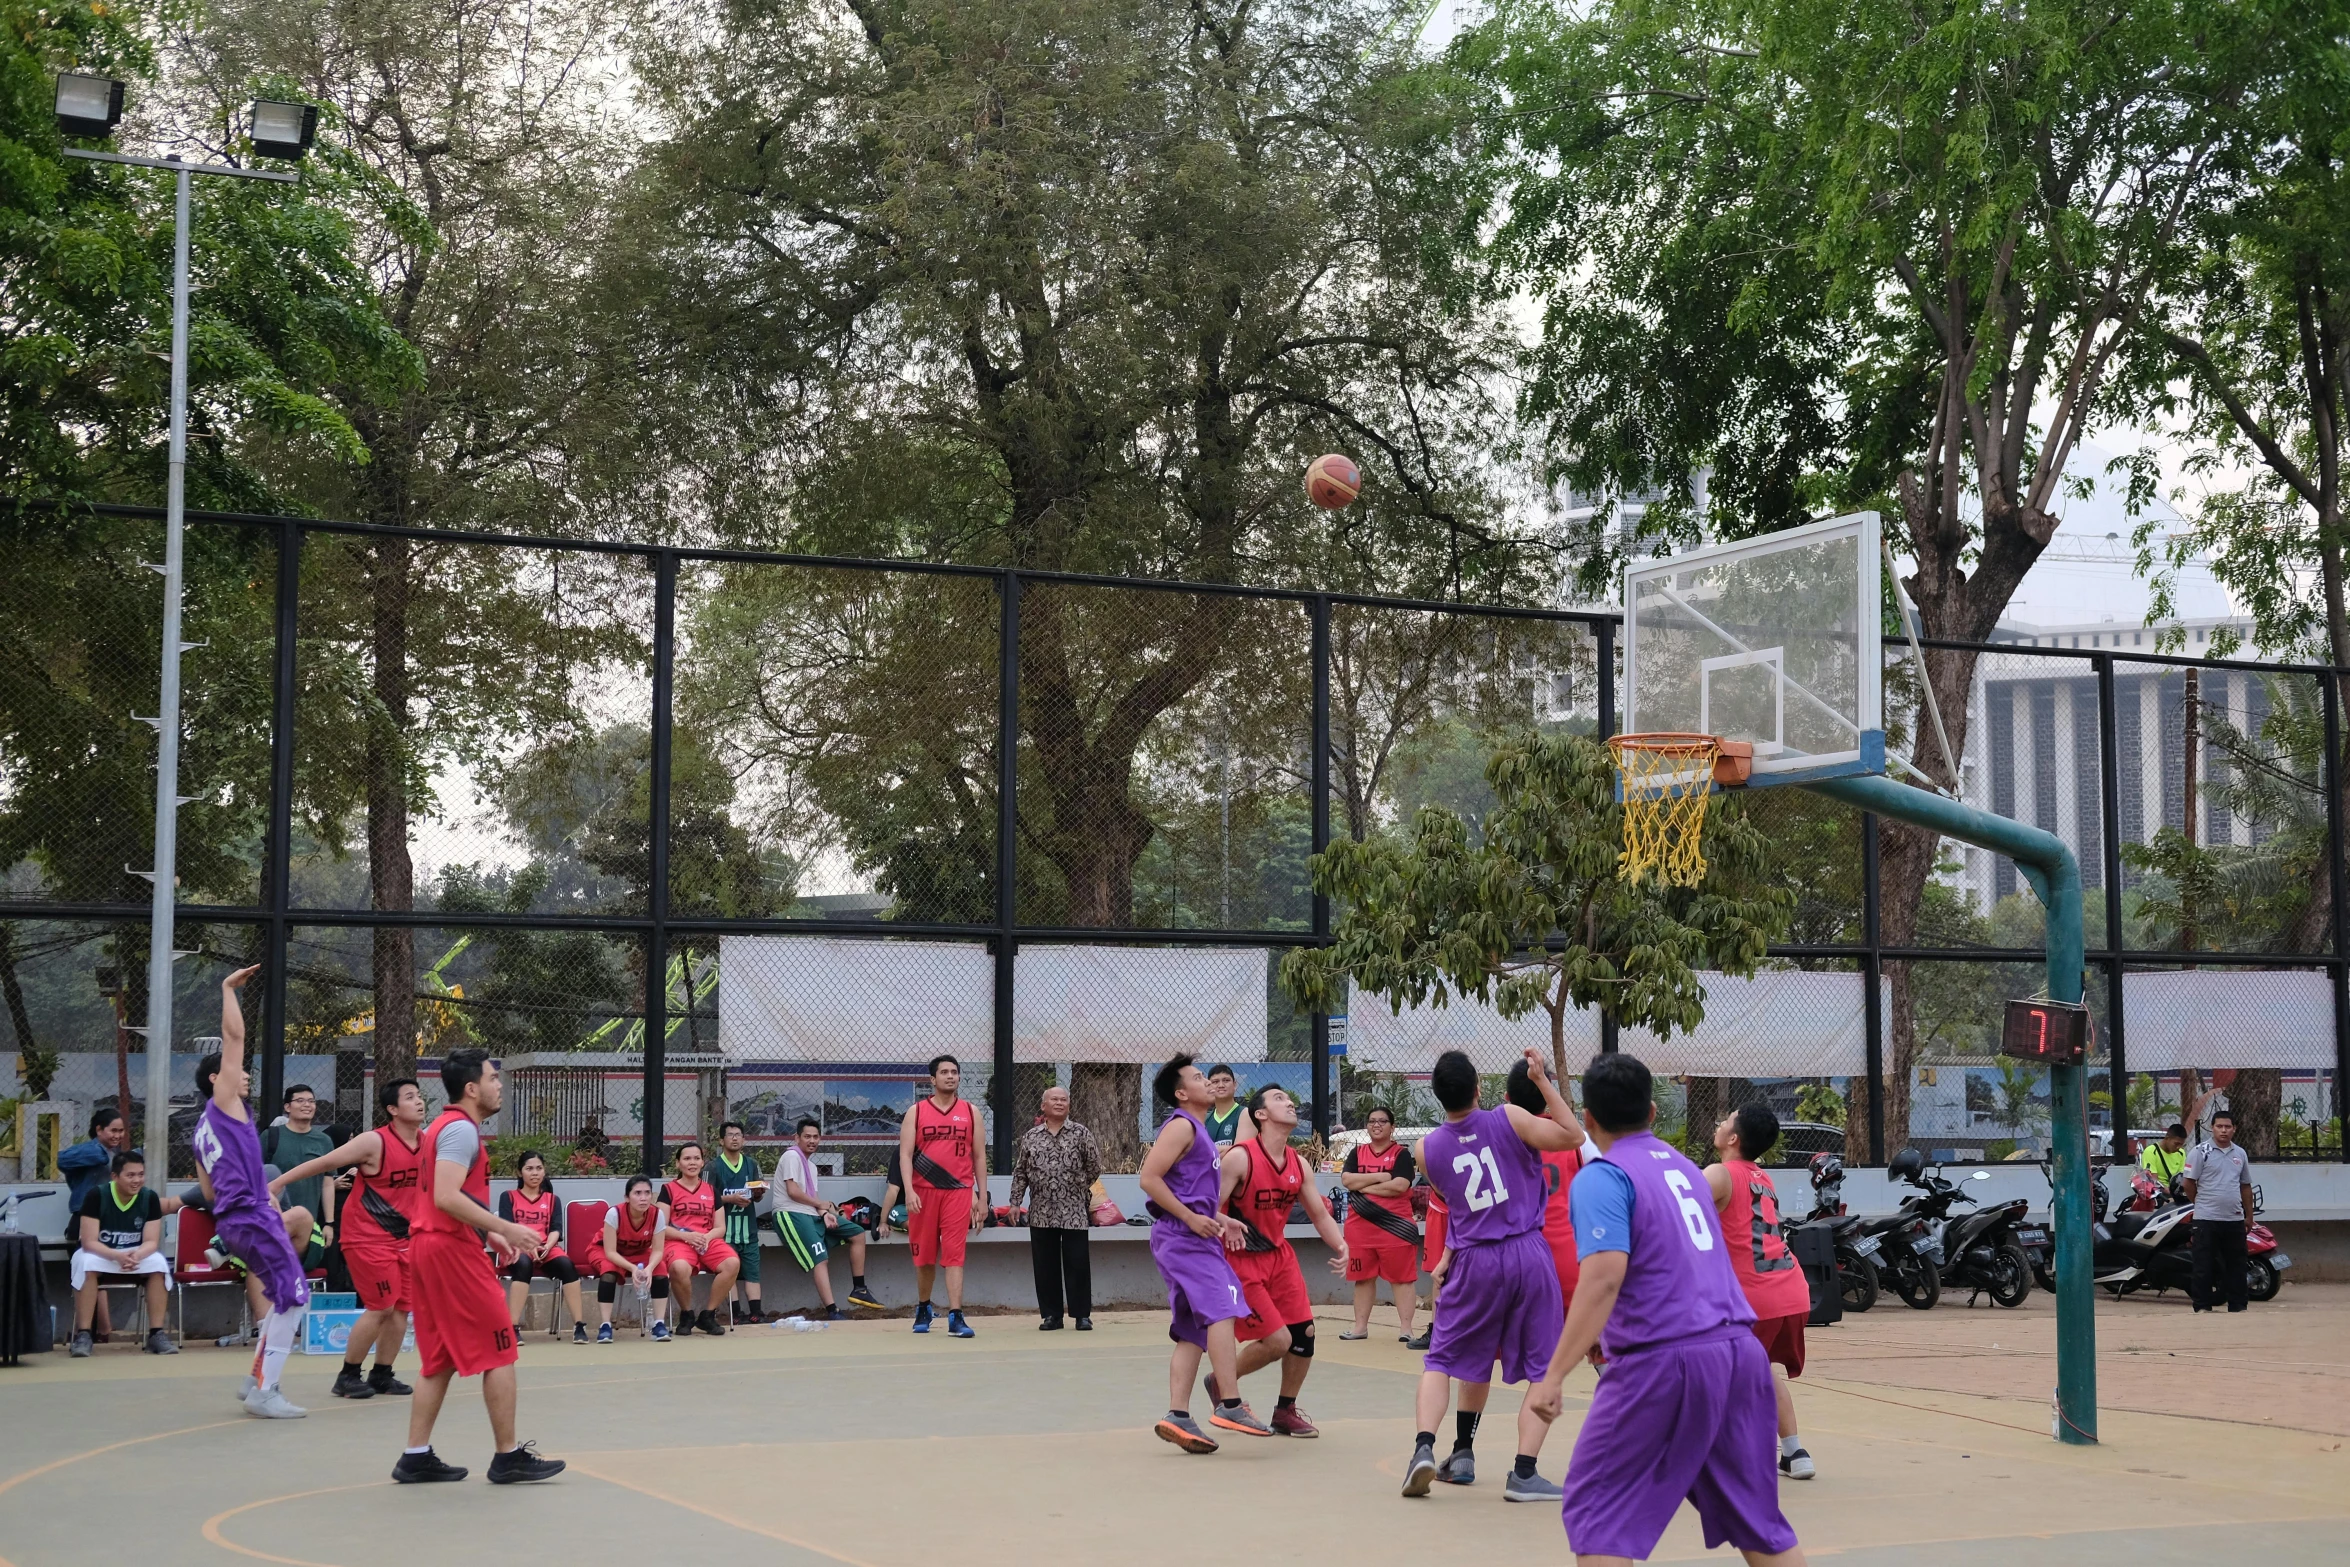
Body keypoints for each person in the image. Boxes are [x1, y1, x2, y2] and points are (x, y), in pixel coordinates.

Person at [1529, 1053, 1805, 1567]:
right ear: (1654, 1112)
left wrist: (1554, 1374)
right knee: (1758, 1521)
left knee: (1600, 1516)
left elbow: (1604, 1279)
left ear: (1588, 1119)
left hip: (1664, 1361)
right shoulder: (1685, 1168)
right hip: (1738, 1353)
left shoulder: (1604, 1177)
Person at [1401, 1048, 1584, 1504]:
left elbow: (1456, 1200)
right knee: (1543, 1367)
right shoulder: (1509, 1117)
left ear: (1438, 1096)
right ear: (1479, 1086)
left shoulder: (1426, 1149)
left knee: (1443, 1360)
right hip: (1526, 1251)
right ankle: (1524, 1472)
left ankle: (1428, 1448)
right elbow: (1573, 1134)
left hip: (1474, 1256)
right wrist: (1542, 1081)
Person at [396, 1048, 563, 1485]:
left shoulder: (442, 1128)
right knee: (501, 1348)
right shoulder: (461, 1132)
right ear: (472, 1088)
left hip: (430, 1245)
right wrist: (506, 1227)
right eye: (493, 1078)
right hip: (449, 1251)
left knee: (439, 1359)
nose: (499, 1085)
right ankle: (507, 1457)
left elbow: (449, 1194)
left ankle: (415, 1456)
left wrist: (485, 1231)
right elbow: (445, 1196)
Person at [192, 966, 312, 1419]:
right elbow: (234, 1037)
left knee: (284, 1295)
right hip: (252, 1218)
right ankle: (267, 1390)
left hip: (232, 1222)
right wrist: (227, 990)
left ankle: (253, 1380)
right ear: (215, 1080)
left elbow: (207, 1189)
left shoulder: (201, 1131)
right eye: (235, 1073)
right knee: (295, 1296)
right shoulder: (223, 1104)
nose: (244, 1077)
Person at [269, 1077, 427, 1400]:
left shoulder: (427, 1142)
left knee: (401, 1308)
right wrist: (275, 1185)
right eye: (410, 1097)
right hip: (366, 1237)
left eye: (420, 1096)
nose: (420, 1101)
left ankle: (382, 1374)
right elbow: (323, 1164)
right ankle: (348, 1375)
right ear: (393, 1109)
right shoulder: (374, 1142)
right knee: (380, 1306)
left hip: (405, 1238)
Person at [1140, 1053, 1268, 1452]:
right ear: (1182, 1093)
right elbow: (1149, 1178)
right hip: (1185, 1238)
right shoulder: (1181, 1126)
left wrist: (1216, 1217)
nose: (1207, 1081)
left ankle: (1178, 1415)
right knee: (1223, 1309)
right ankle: (1230, 1403)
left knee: (1192, 1331)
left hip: (1188, 1233)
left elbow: (1186, 1190)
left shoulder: (1197, 1129)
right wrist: (1192, 1220)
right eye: (1198, 1077)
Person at [1214, 1086, 1346, 1437]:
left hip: (1279, 1256)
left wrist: (1341, 1245)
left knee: (1304, 1334)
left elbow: (1319, 1214)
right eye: (1278, 1099)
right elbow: (1205, 1209)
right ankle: (1222, 1381)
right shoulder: (1239, 1158)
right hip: (1242, 1259)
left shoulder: (1298, 1163)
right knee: (1278, 1341)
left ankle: (1285, 1410)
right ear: (1260, 1114)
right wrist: (1222, 1225)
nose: (1289, 1103)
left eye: (1289, 1099)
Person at [1706, 1104, 1817, 1481]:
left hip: (1753, 1297)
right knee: (1761, 1369)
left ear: (1733, 1138)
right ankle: (1795, 1452)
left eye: (1725, 1120)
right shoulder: (1761, 1177)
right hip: (1790, 1290)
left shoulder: (1720, 1174)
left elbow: (1676, 1205)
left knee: (1714, 1373)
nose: (1719, 1124)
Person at [899, 1052, 987, 1338]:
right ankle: (924, 1306)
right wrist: (909, 1190)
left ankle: (956, 1316)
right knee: (924, 1257)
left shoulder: (971, 1112)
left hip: (958, 1192)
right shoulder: (917, 1111)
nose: (950, 1076)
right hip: (923, 1193)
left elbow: (979, 1157)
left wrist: (981, 1197)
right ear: (932, 1079)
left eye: (954, 1072)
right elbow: (905, 1154)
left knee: (954, 1255)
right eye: (944, 1072)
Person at [1008, 1084, 1103, 1330]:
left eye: (1063, 1099)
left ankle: (1081, 1315)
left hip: (1073, 1211)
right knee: (1045, 1264)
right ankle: (1052, 1315)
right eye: (1054, 1099)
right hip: (1040, 1211)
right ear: (1043, 1106)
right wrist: (1015, 1202)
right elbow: (1021, 1172)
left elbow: (1094, 1166)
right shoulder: (1031, 1137)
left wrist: (1076, 1186)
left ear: (1068, 1105)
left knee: (1078, 1263)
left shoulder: (1081, 1133)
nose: (1060, 1103)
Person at [68, 1148, 174, 1356]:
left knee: (159, 1265)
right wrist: (116, 1255)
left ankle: (156, 1333)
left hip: (135, 1254)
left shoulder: (149, 1198)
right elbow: (88, 1242)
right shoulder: (96, 1195)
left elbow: (151, 1242)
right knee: (85, 1263)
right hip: (101, 1252)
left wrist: (137, 1255)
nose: (137, 1180)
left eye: (141, 1175)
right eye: (130, 1175)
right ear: (115, 1176)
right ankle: (84, 1334)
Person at [776, 1117, 881, 1318]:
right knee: (820, 1258)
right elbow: (793, 1192)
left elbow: (813, 1197)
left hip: (811, 1213)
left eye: (816, 1137)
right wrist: (821, 1206)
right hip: (790, 1213)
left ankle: (859, 1289)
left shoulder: (811, 1167)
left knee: (857, 1233)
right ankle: (833, 1310)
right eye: (807, 1136)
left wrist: (825, 1214)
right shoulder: (791, 1156)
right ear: (796, 1138)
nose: (812, 1140)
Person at [1340, 1106, 1421, 1342]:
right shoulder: (1357, 1153)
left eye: (1383, 1121)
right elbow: (1346, 1179)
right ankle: (1360, 1328)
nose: (1376, 1125)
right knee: (1362, 1277)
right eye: (1372, 1121)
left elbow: (1400, 1186)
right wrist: (1381, 1177)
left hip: (1395, 1227)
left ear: (1392, 1127)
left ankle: (1406, 1330)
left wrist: (1362, 1187)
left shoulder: (1401, 1154)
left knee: (1402, 1279)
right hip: (1360, 1227)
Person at [58, 1109, 130, 1342]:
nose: (118, 1135)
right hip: (84, 1219)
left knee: (95, 1274)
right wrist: (96, 1156)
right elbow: (62, 1159)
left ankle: (96, 1329)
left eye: (121, 1131)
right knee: (87, 1273)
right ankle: (93, 1329)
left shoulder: (113, 1152)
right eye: (113, 1130)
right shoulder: (95, 1151)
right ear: (99, 1130)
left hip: (107, 1219)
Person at [500, 1151, 585, 1343]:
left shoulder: (552, 1199)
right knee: (523, 1265)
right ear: (519, 1172)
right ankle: (513, 1327)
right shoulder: (509, 1197)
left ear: (544, 1171)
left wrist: (547, 1245)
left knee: (567, 1265)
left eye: (539, 1168)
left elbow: (556, 1229)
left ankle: (579, 1326)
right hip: (517, 1247)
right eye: (529, 1168)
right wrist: (527, 1245)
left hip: (545, 1247)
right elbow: (507, 1228)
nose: (535, 1173)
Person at [660, 1141, 741, 1336]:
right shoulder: (668, 1190)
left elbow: (720, 1227)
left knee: (732, 1263)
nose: (692, 1162)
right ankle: (687, 1315)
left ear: (703, 1162)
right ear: (678, 1163)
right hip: (679, 1241)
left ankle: (708, 1315)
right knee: (679, 1268)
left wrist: (706, 1237)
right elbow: (660, 1227)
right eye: (687, 1158)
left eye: (696, 1158)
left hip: (708, 1240)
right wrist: (687, 1236)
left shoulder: (711, 1191)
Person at [583, 1175, 672, 1342]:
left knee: (660, 1269)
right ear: (627, 1197)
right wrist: (633, 1269)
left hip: (638, 1252)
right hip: (606, 1250)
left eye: (647, 1193)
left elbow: (658, 1250)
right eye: (637, 1193)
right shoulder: (614, 1213)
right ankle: (605, 1325)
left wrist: (649, 1268)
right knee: (609, 1271)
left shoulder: (657, 1215)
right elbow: (610, 1252)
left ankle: (659, 1324)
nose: (643, 1198)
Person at [2184, 1108, 2255, 1314]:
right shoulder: (2200, 1152)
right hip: (2206, 1219)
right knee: (2203, 1264)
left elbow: (2245, 1186)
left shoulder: (2240, 1154)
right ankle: (2202, 1306)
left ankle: (2238, 1305)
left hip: (2234, 1219)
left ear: (2234, 1129)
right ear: (2212, 1128)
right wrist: (2200, 1202)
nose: (2223, 1131)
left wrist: (2248, 1215)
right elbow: (2188, 1182)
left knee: (2237, 1264)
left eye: (2228, 1127)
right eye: (2219, 1126)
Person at [264, 1085, 339, 1275]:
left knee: (295, 1273)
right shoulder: (271, 1136)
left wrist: (329, 1223)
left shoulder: (324, 1141)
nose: (307, 1105)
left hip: (308, 1226)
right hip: (273, 1222)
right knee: (270, 1271)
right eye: (300, 1101)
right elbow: (256, 1176)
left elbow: (327, 1182)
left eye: (311, 1101)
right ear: (287, 1107)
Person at [709, 1121, 768, 1324]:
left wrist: (758, 1193)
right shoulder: (713, 1166)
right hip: (724, 1232)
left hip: (748, 1229)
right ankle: (736, 1312)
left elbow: (757, 1197)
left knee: (753, 1270)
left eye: (738, 1134)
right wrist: (730, 1199)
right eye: (730, 1134)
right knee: (729, 1270)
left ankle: (756, 1312)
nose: (734, 1138)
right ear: (721, 1140)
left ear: (744, 1139)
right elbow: (707, 1197)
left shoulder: (751, 1164)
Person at [1202, 1064, 1254, 1149]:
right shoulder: (1205, 1119)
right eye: (1215, 1082)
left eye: (1226, 1080)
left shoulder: (1245, 1114)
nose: (1221, 1085)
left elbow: (1240, 1153)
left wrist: (1209, 1152)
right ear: (1209, 1087)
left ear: (1235, 1085)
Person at [2138, 1123, 2189, 1192]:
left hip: (2176, 1193)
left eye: (2182, 1145)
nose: (2178, 1147)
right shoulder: (2151, 1152)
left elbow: (2182, 1176)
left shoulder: (2181, 1153)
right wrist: (2171, 1193)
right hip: (2160, 1194)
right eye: (2176, 1144)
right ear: (2167, 1138)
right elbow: (2153, 1181)